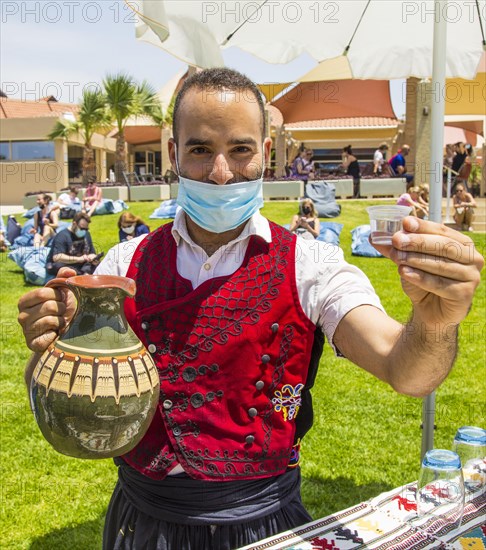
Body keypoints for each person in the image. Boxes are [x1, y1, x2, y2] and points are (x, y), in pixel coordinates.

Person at [17, 68, 484, 550]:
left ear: (264, 152)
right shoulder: (123, 264)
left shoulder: (312, 265)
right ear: (174, 155)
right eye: (200, 150)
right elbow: (61, 403)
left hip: (263, 523)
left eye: (240, 149)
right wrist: (48, 347)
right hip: (144, 521)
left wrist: (434, 323)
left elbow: (405, 370)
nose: (221, 172)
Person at [45, 212, 101, 276]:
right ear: (74, 224)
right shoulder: (62, 236)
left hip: (81, 264)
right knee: (61, 267)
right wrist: (78, 259)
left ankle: (84, 274)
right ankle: (84, 274)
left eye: (86, 229)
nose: (84, 231)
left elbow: (92, 252)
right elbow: (57, 257)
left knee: (98, 263)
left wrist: (93, 257)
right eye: (82, 228)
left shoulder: (86, 234)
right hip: (67, 264)